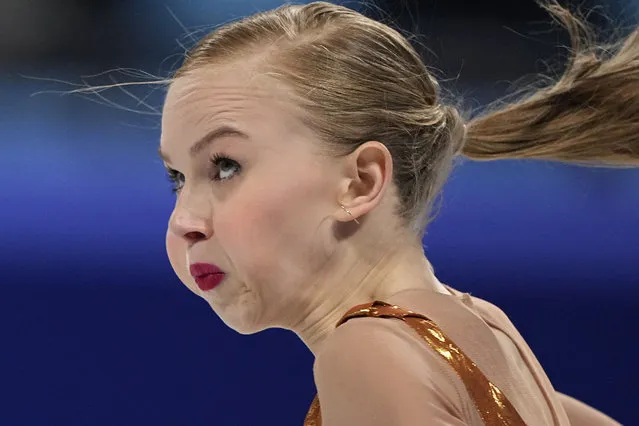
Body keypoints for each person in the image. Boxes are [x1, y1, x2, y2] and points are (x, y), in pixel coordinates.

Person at [157, 1, 637, 424]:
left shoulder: (368, 354)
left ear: (360, 181)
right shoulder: (489, 333)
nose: (184, 221)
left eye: (224, 167)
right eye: (177, 178)